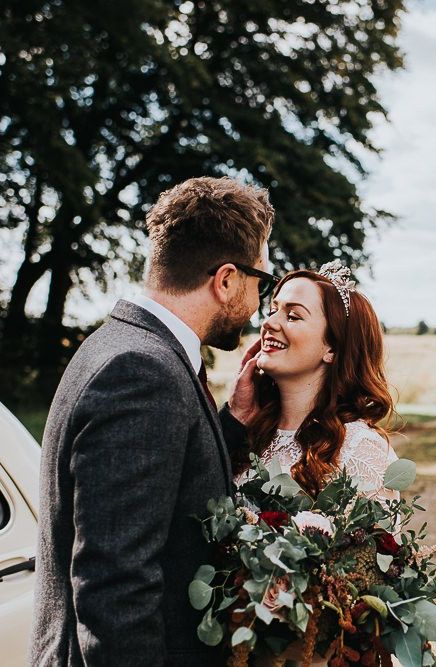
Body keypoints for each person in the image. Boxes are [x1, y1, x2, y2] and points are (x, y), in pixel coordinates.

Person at [30, 177, 275, 666]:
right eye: (260, 282)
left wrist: (232, 422)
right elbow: (115, 587)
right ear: (226, 280)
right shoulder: (143, 373)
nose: (258, 304)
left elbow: (164, 493)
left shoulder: (122, 346)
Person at [236, 259, 398, 506]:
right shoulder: (249, 431)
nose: (268, 323)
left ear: (332, 347)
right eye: (272, 311)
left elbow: (370, 544)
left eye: (292, 316)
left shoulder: (359, 449)